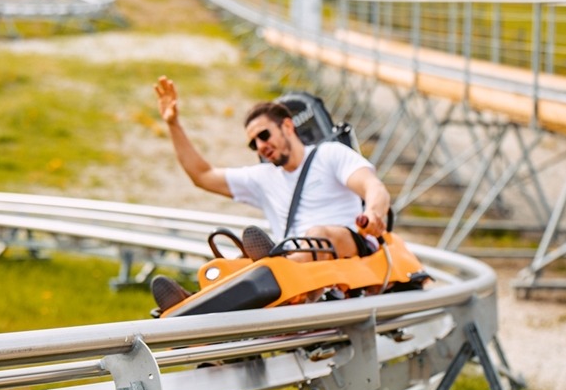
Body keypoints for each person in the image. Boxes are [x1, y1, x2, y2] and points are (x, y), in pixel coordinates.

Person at [150, 75, 391, 311]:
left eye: (264, 135)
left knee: (316, 234)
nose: (261, 146)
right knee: (239, 260)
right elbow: (202, 176)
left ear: (287, 125)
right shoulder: (263, 178)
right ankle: (195, 303)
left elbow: (372, 186)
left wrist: (372, 213)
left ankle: (273, 269)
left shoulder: (330, 154)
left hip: (349, 249)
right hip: (296, 255)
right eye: (254, 143)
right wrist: (173, 125)